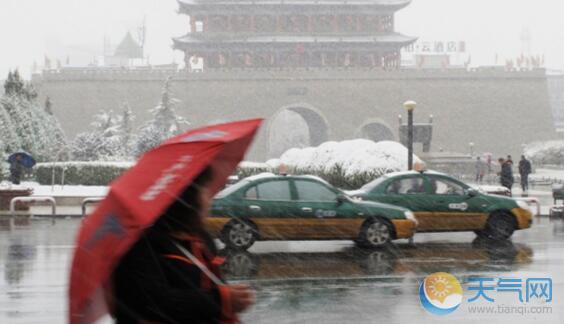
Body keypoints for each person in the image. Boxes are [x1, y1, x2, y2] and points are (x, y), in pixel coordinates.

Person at [112, 167, 255, 323]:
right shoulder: (138, 245)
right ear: (186, 198)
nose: (210, 199)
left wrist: (230, 299)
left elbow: (214, 283)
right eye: (204, 191)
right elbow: (154, 303)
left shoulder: (201, 237)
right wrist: (222, 299)